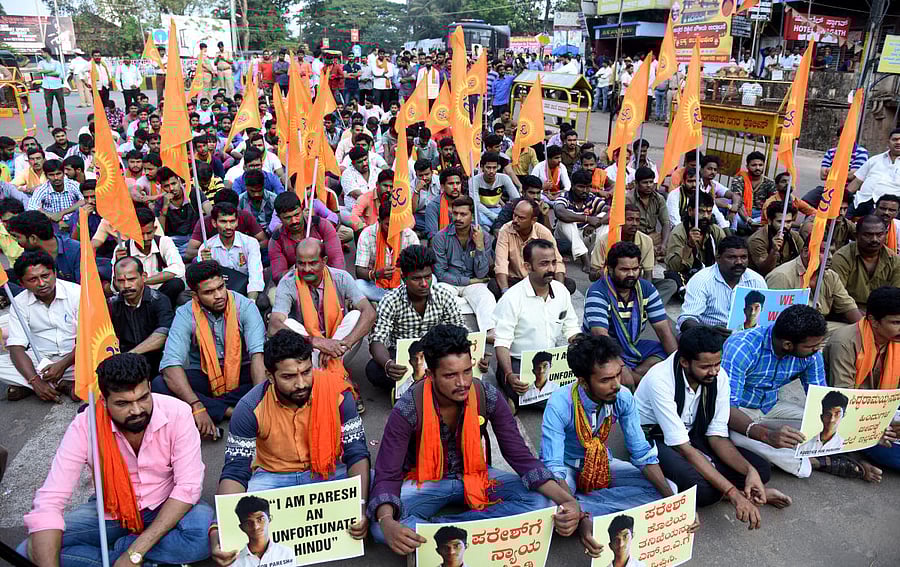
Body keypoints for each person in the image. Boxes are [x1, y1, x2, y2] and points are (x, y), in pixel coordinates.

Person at [368, 324, 591, 556]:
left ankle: (445, 533)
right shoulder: (408, 407)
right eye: (450, 375)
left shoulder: (487, 394)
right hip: (425, 482)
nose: (463, 382)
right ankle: (478, 533)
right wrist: (386, 520)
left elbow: (519, 456)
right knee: (379, 527)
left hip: (477, 475)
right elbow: (388, 473)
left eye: (466, 371)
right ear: (430, 375)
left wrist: (570, 502)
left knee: (542, 502)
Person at [16, 353, 213, 566]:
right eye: (123, 403)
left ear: (149, 386)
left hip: (165, 504)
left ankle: (122, 550)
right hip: (113, 511)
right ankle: (145, 559)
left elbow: (188, 487)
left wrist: (134, 552)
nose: (137, 410)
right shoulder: (86, 426)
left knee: (202, 537)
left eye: (143, 398)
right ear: (104, 399)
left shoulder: (178, 413)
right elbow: (51, 499)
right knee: (28, 551)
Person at [207, 331, 369, 565]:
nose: (301, 383)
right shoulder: (249, 407)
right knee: (235, 506)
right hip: (272, 477)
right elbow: (236, 470)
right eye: (289, 377)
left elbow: (356, 452)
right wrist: (220, 533)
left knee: (372, 487)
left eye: (306, 372)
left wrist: (360, 507)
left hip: (326, 472)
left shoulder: (338, 394)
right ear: (270, 376)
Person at [636, 326, 790, 520]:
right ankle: (739, 494)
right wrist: (734, 494)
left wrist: (749, 471)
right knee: (704, 492)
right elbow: (683, 447)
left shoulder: (720, 377)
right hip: (655, 437)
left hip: (691, 432)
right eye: (705, 367)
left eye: (717, 364)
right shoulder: (659, 380)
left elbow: (716, 436)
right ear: (684, 362)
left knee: (760, 470)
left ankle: (733, 486)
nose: (714, 371)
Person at [723, 305, 869, 480]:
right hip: (740, 410)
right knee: (736, 437)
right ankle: (817, 462)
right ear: (787, 345)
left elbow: (821, 397)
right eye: (812, 346)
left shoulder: (810, 354)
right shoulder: (742, 347)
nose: (816, 351)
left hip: (772, 406)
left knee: (829, 422)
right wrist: (766, 435)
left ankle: (817, 452)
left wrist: (867, 431)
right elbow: (726, 408)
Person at [541, 334, 675, 521]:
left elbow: (641, 453)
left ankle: (586, 508)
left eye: (618, 374)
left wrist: (675, 504)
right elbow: (554, 466)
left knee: (669, 489)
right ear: (583, 382)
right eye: (605, 380)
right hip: (567, 468)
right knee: (548, 506)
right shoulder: (559, 404)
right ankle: (588, 509)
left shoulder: (623, 397)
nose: (617, 385)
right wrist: (567, 501)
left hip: (603, 463)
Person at [154, 261, 267, 439]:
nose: (218, 295)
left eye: (221, 287)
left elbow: (257, 356)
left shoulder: (244, 306)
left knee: (272, 376)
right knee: (160, 384)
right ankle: (232, 411)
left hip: (242, 372)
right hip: (205, 375)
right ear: (195, 296)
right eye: (209, 292)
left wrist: (261, 405)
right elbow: (171, 364)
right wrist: (197, 405)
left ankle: (214, 410)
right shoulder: (185, 313)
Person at [365, 245, 468, 390]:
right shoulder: (390, 300)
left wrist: (475, 356)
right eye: (416, 279)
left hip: (437, 354)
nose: (424, 284)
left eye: (428, 277)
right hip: (404, 358)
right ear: (404, 278)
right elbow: (377, 340)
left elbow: (461, 330)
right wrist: (388, 364)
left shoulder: (444, 295)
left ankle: (418, 388)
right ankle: (431, 387)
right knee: (374, 370)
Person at [494, 239, 580, 411]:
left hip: (553, 362)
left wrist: (581, 347)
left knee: (584, 387)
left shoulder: (561, 291)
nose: (551, 269)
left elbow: (571, 328)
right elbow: (502, 343)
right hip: (520, 363)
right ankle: (507, 389)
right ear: (527, 267)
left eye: (553, 262)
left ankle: (516, 398)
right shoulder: (512, 298)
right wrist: (510, 374)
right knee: (557, 400)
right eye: (544, 264)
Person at [824, 286, 900, 472]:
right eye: (896, 322)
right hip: (854, 417)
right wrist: (881, 423)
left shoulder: (896, 340)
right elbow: (844, 400)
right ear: (873, 321)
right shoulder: (845, 342)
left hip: (887, 412)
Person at [584, 242, 677, 387]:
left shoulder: (647, 289)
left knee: (671, 351)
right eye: (624, 269)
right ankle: (640, 381)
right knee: (601, 364)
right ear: (610, 269)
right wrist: (621, 367)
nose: (631, 274)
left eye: (635, 268)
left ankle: (634, 376)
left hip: (631, 347)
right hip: (602, 349)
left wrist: (679, 368)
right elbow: (600, 336)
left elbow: (663, 331)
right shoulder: (597, 292)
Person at [0, 251, 78, 402]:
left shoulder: (77, 294)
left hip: (75, 358)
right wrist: (35, 380)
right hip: (41, 361)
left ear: (54, 273)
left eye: (45, 276)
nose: (41, 283)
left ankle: (38, 385)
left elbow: (87, 341)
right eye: (33, 279)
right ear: (22, 283)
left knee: (102, 365)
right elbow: (16, 347)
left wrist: (62, 366)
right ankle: (60, 384)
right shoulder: (19, 303)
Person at [766, 220, 862, 328]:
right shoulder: (782, 276)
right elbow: (771, 321)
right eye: (823, 252)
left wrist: (865, 332)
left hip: (820, 328)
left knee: (853, 332)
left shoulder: (831, 276)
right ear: (805, 252)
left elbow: (848, 307)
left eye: (832, 252)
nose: (829, 257)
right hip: (791, 332)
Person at [432, 195, 496, 334]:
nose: (458, 218)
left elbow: (482, 273)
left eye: (463, 214)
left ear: (472, 216)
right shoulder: (440, 237)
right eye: (455, 213)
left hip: (475, 283)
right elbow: (440, 274)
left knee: (486, 297)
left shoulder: (483, 236)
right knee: (439, 294)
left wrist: (479, 246)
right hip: (449, 282)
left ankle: (490, 332)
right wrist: (469, 280)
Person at [678, 236, 767, 334]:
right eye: (732, 257)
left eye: (743, 257)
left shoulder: (756, 280)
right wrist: (710, 330)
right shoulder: (702, 280)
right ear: (718, 258)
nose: (739, 262)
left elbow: (763, 318)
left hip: (745, 337)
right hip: (708, 336)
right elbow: (686, 320)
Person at [491, 199, 574, 298]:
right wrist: (505, 292)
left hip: (539, 279)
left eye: (521, 218)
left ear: (533, 220)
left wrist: (560, 290)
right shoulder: (505, 230)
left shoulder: (543, 233)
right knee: (494, 286)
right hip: (515, 280)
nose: (515, 220)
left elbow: (558, 262)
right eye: (514, 215)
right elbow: (501, 263)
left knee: (569, 285)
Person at [108, 256, 174, 374]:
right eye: (121, 281)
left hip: (157, 363)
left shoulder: (159, 300)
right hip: (123, 366)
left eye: (131, 279)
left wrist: (129, 355)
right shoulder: (112, 305)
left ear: (143, 277)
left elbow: (163, 333)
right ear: (114, 281)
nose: (126, 285)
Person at [198, 202, 267, 311]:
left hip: (246, 289)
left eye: (232, 221)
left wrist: (251, 303)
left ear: (237, 222)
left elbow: (255, 276)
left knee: (262, 301)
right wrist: (207, 264)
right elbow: (205, 283)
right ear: (214, 223)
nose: (229, 226)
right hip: (219, 293)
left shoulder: (250, 243)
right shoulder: (206, 248)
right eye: (223, 222)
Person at [113, 207, 186, 307]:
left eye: (149, 233)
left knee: (176, 284)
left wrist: (144, 281)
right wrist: (119, 263)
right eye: (141, 234)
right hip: (135, 295)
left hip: (161, 293)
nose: (145, 238)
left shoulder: (164, 242)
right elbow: (114, 287)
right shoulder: (122, 249)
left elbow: (178, 269)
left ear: (155, 229)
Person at [269, 191, 344, 281]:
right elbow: (278, 276)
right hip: (295, 283)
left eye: (296, 215)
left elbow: (337, 261)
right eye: (287, 218)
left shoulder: (321, 225)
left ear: (301, 209)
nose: (294, 221)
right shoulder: (276, 240)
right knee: (272, 294)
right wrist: (298, 269)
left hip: (326, 279)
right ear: (279, 218)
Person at [831, 215, 900, 311]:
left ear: (886, 234)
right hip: (848, 314)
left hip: (883, 315)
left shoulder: (894, 260)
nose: (874, 239)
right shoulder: (842, 258)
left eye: (879, 235)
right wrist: (865, 322)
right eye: (868, 235)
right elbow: (838, 298)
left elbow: (896, 296)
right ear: (856, 235)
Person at [355, 200, 420, 302]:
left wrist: (402, 273)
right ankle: (396, 302)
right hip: (376, 286)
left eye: (396, 224)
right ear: (379, 221)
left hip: (403, 286)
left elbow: (418, 268)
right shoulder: (367, 234)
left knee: (431, 280)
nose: (393, 229)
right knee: (357, 285)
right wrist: (376, 274)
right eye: (388, 224)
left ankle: (385, 301)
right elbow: (359, 271)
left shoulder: (409, 235)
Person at [7, 210, 82, 283]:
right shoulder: (29, 253)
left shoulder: (77, 251)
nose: (16, 241)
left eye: (17, 237)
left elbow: (84, 288)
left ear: (33, 238)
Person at [553, 169, 604, 273]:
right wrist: (587, 219)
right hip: (564, 238)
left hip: (583, 235)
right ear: (572, 186)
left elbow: (610, 212)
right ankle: (585, 258)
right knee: (565, 220)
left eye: (588, 187)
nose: (585, 190)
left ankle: (596, 259)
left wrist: (594, 225)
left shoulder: (591, 198)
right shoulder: (565, 197)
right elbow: (559, 211)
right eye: (581, 187)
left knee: (606, 222)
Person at [845, 128, 900, 216]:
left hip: (887, 208)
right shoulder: (875, 160)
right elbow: (857, 181)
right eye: (895, 139)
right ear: (888, 142)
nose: (898, 142)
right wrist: (844, 199)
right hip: (861, 200)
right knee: (839, 221)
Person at [229, 496, 296, 567]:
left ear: (269, 519)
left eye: (260, 519)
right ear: (242, 527)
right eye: (248, 523)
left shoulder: (286, 553)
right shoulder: (234, 563)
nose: (256, 527)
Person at [747, 201, 802, 276]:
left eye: (788, 222)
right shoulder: (757, 240)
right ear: (769, 221)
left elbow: (804, 258)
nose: (785, 226)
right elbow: (765, 270)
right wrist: (773, 251)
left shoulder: (794, 236)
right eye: (780, 222)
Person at [25, 159, 85, 225]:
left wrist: (62, 213)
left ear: (63, 173)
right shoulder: (42, 189)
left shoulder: (72, 184)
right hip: (52, 224)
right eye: (51, 175)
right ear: (46, 176)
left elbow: (84, 200)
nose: (56, 178)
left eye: (58, 174)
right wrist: (51, 216)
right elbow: (32, 206)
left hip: (74, 222)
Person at [470, 152, 520, 229]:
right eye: (488, 167)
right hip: (481, 212)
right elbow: (476, 204)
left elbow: (516, 199)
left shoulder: (504, 178)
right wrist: (494, 217)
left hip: (498, 210)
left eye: (494, 168)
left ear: (498, 167)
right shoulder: (474, 180)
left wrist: (506, 210)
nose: (491, 171)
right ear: (482, 167)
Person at [628, 166, 670, 253]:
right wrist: (646, 241)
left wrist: (663, 245)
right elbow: (626, 227)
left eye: (651, 182)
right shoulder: (628, 199)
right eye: (645, 182)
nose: (649, 185)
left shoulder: (659, 199)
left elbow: (666, 223)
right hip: (635, 237)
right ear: (636, 183)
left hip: (654, 237)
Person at [418, 167, 463, 239]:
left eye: (458, 183)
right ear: (442, 186)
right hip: (441, 246)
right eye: (451, 184)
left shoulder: (467, 204)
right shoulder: (433, 207)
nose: (455, 187)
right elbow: (432, 237)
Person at [732, 151, 775, 219]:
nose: (757, 168)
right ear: (747, 166)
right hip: (742, 211)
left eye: (760, 165)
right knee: (734, 217)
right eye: (754, 165)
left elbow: (773, 202)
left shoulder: (770, 183)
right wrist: (747, 219)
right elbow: (738, 200)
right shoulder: (739, 180)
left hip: (760, 213)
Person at [37, 48, 67, 129]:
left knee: (62, 107)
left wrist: (45, 71)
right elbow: (39, 71)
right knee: (49, 107)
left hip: (57, 86)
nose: (41, 54)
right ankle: (50, 125)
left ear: (47, 53)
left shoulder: (56, 63)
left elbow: (58, 73)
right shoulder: (41, 62)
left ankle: (65, 125)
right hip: (47, 87)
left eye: (42, 52)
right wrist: (51, 70)